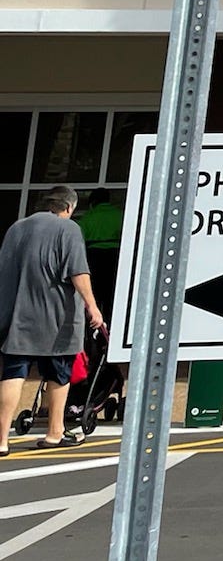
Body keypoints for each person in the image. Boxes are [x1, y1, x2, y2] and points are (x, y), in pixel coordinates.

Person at [0, 186, 105, 453]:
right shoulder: (68, 229)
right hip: (57, 319)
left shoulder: (16, 228)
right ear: (68, 207)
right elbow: (78, 272)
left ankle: (1, 440)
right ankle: (55, 433)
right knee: (59, 373)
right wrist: (93, 307)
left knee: (13, 373)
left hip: (17, 317)